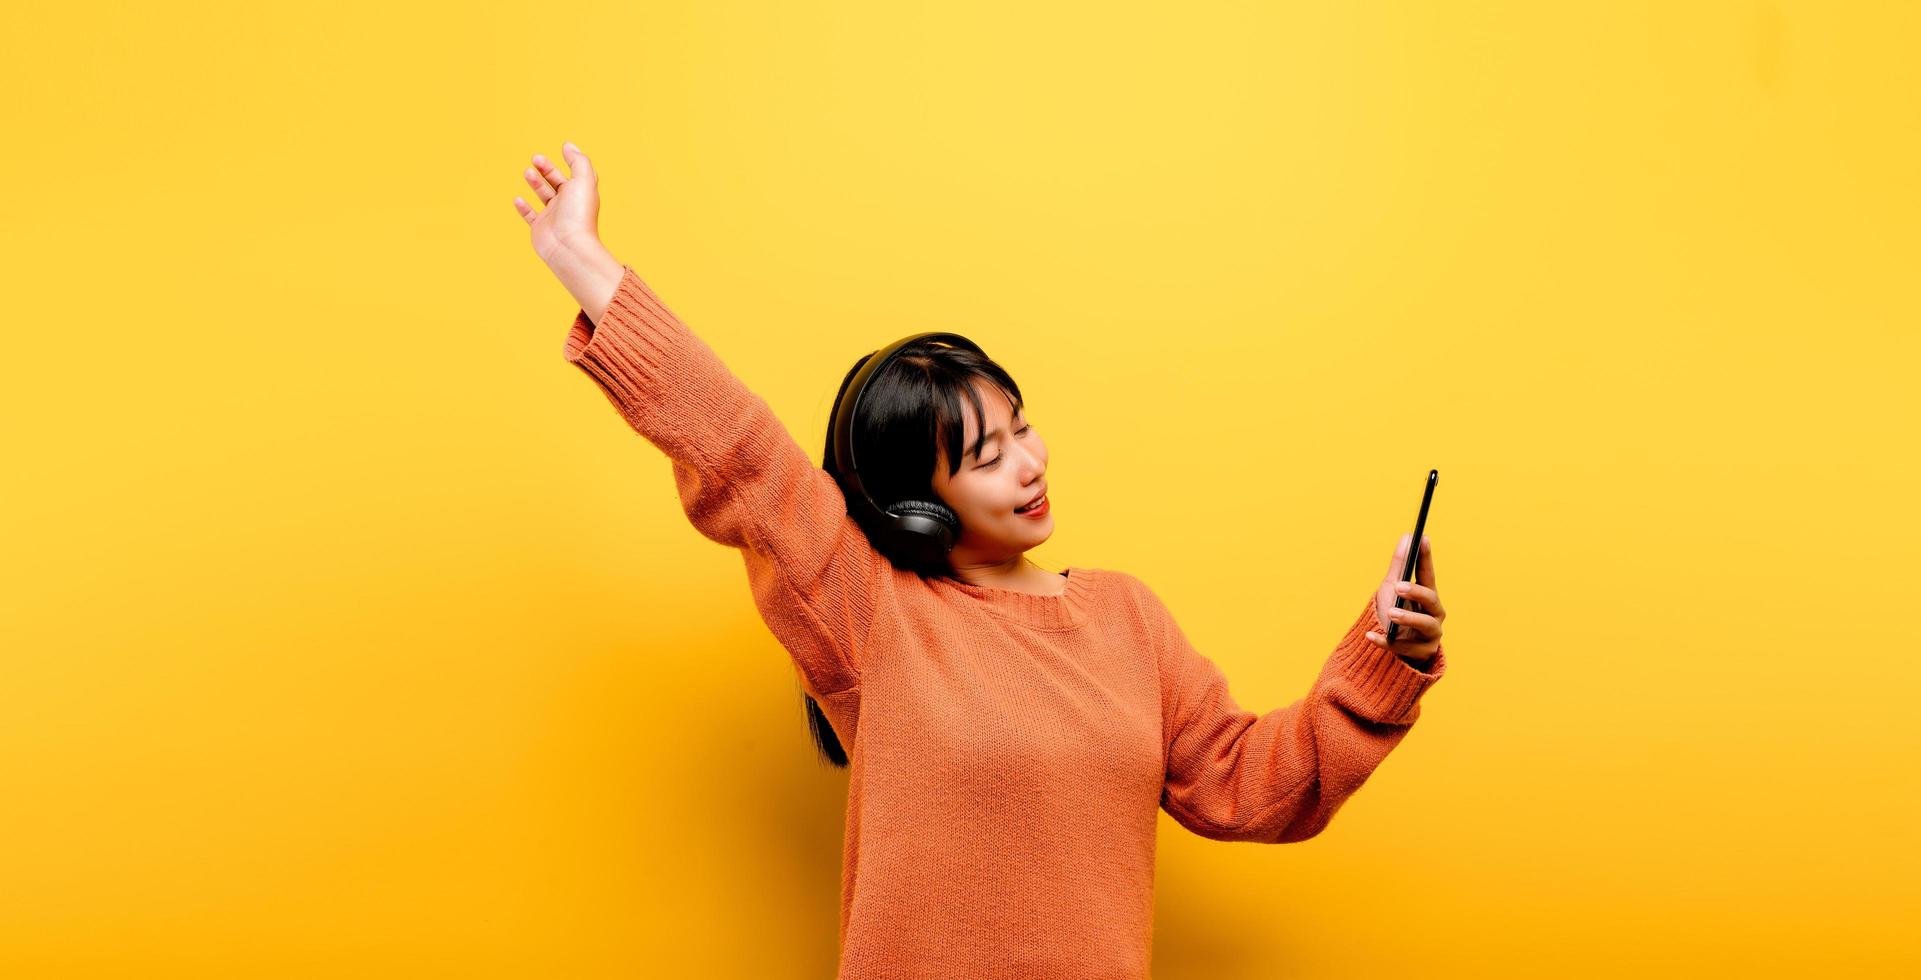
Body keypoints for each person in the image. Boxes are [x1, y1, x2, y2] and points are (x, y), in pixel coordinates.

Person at [513, 143, 1449, 980]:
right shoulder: (868, 611)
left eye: (1023, 428)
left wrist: (1385, 656)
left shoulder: (1126, 617)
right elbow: (740, 448)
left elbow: (1252, 789)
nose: (1030, 464)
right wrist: (582, 262)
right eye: (984, 456)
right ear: (915, 500)